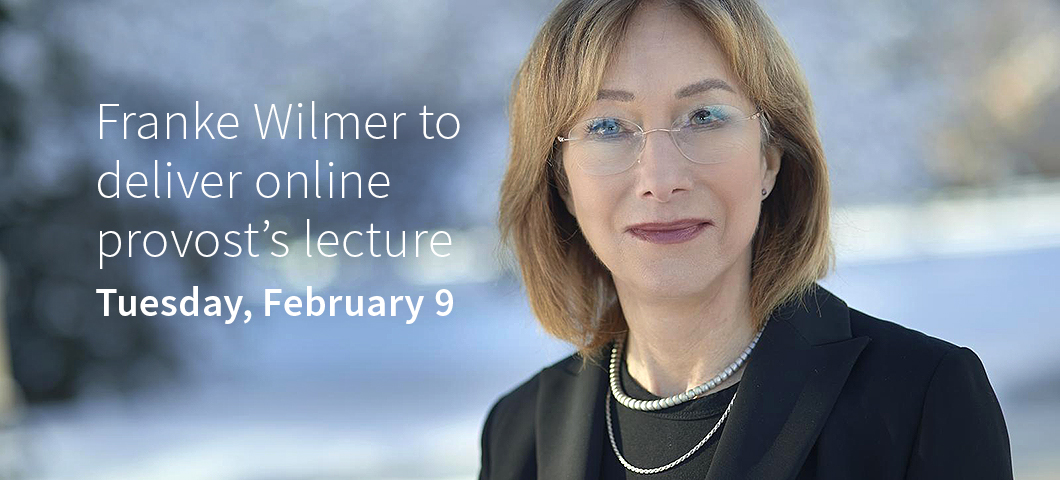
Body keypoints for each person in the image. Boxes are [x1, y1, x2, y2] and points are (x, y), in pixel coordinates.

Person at [480, 0, 1013, 478]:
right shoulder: (516, 432)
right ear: (562, 183)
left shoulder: (920, 399)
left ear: (769, 159)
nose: (661, 179)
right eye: (607, 127)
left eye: (704, 116)